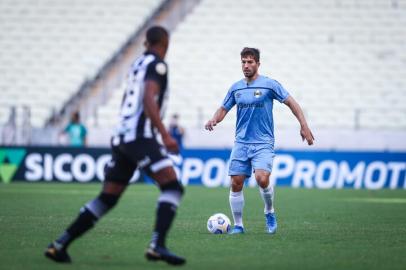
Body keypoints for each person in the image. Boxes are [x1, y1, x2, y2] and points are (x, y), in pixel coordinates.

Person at [44, 26, 186, 266]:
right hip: (139, 137)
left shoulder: (137, 64)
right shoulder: (157, 65)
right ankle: (157, 245)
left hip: (121, 137)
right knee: (172, 188)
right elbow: (148, 98)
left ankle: (60, 244)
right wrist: (165, 134)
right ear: (165, 43)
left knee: (107, 198)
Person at [205, 47, 314, 235]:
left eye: (250, 62)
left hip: (263, 142)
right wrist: (214, 119)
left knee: (262, 178)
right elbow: (223, 108)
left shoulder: (269, 85)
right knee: (236, 182)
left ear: (258, 64)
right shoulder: (236, 87)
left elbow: (292, 103)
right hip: (241, 142)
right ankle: (238, 225)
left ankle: (269, 212)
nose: (246, 65)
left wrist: (304, 125)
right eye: (243, 62)